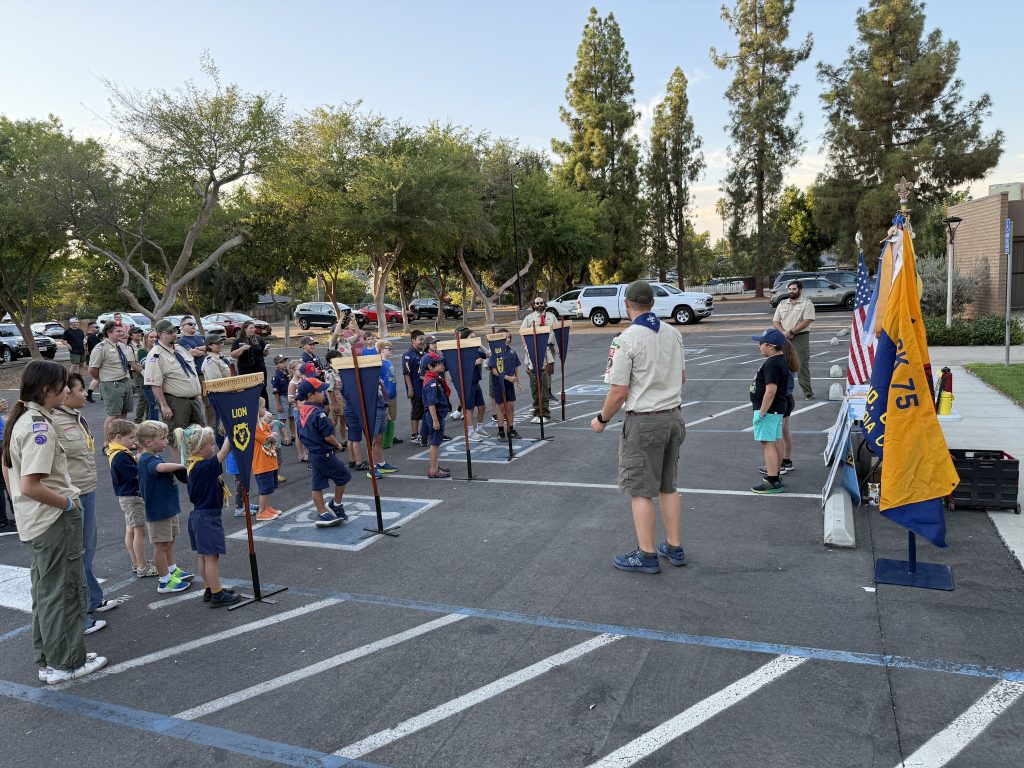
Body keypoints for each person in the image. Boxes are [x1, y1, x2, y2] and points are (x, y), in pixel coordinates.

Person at [1, 360, 108, 684]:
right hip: (52, 520)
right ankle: (67, 663)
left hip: (37, 520)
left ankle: (51, 660)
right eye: (62, 385)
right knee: (64, 592)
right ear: (47, 389)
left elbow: (9, 470)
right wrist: (68, 504)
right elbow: (30, 485)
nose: (67, 390)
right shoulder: (39, 427)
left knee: (47, 593)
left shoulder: (24, 417)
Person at [590, 281, 687, 575]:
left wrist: (602, 419)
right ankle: (674, 546)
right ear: (652, 303)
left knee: (641, 490)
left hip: (644, 420)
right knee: (668, 485)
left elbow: (619, 391)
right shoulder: (673, 332)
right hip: (673, 415)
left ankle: (646, 554)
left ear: (627, 305)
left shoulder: (625, 339)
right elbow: (681, 377)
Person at [53, 373, 123, 633]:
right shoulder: (52, 422)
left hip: (87, 489)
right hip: (70, 495)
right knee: (73, 555)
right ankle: (78, 616)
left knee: (87, 550)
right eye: (80, 389)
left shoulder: (75, 417)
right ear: (65, 393)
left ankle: (92, 599)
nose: (85, 394)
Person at [174, 423, 240, 607]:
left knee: (203, 556)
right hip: (207, 518)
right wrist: (231, 429)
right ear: (199, 449)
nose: (214, 447)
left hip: (198, 515)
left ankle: (210, 588)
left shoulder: (192, 464)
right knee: (212, 558)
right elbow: (225, 451)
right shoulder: (204, 466)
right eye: (211, 445)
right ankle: (217, 595)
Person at [136, 419, 193, 593]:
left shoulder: (154, 456)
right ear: (148, 442)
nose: (166, 441)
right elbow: (159, 468)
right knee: (160, 545)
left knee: (169, 541)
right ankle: (164, 581)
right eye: (162, 438)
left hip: (168, 508)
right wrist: (182, 465)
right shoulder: (146, 460)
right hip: (158, 511)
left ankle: (172, 569)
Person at [294, 377, 350, 527]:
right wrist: (338, 444)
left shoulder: (302, 411)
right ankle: (336, 504)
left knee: (317, 485)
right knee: (344, 476)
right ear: (311, 395)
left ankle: (323, 513)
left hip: (313, 453)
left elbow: (300, 435)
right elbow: (327, 436)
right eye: (319, 391)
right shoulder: (318, 414)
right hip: (324, 453)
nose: (323, 393)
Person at [106, 419, 155, 577]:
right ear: (119, 437)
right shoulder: (121, 456)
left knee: (131, 530)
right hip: (132, 497)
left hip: (126, 496)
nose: (134, 441)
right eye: (131, 437)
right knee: (140, 531)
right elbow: (136, 474)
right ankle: (142, 566)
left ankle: (136, 562)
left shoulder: (117, 452)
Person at [145, 319, 204, 433]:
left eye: (175, 331)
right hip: (176, 402)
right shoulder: (155, 355)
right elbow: (155, 384)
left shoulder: (179, 349)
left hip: (193, 400)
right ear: (160, 334)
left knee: (197, 434)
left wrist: (197, 394)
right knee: (178, 435)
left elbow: (191, 371)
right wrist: (164, 406)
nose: (174, 334)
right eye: (170, 332)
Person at [749, 329, 789, 494]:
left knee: (767, 443)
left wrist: (761, 413)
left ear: (771, 346)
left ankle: (772, 480)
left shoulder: (772, 363)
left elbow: (771, 390)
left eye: (761, 343)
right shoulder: (779, 360)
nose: (759, 346)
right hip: (777, 409)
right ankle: (776, 474)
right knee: (775, 440)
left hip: (769, 410)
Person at [88, 320, 138, 449]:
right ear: (109, 333)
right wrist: (103, 379)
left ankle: (123, 442)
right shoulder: (101, 348)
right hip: (112, 384)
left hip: (125, 382)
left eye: (122, 331)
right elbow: (92, 369)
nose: (122, 333)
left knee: (123, 415)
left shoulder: (121, 346)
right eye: (118, 331)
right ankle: (108, 444)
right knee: (113, 416)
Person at [760, 340, 799, 478]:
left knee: (777, 436)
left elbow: (772, 388)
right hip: (788, 398)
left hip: (781, 400)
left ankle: (779, 465)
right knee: (785, 433)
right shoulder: (790, 362)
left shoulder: (780, 364)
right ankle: (786, 460)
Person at [772, 280, 815, 399]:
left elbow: (807, 321)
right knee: (782, 365)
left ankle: (807, 392)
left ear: (799, 290)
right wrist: (784, 333)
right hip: (783, 337)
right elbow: (775, 321)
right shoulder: (782, 303)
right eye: (790, 289)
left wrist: (791, 332)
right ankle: (783, 392)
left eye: (794, 289)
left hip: (800, 337)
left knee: (801, 365)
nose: (791, 291)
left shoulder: (807, 303)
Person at [520, 297, 558, 423]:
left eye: (541, 303)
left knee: (547, 375)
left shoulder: (551, 316)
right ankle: (537, 412)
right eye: (537, 303)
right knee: (535, 388)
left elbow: (557, 330)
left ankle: (546, 403)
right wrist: (526, 346)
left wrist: (558, 346)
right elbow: (522, 332)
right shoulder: (529, 318)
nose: (539, 305)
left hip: (548, 347)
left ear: (544, 304)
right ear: (534, 305)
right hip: (533, 349)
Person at [420, 352, 452, 478]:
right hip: (435, 415)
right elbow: (431, 403)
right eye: (438, 363)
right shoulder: (431, 382)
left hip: (437, 415)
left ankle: (436, 466)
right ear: (430, 366)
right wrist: (435, 420)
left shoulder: (434, 378)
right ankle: (434, 470)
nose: (441, 364)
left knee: (436, 442)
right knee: (435, 443)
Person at [488, 329, 523, 440]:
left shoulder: (512, 352)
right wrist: (508, 378)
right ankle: (500, 431)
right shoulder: (495, 352)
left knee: (511, 407)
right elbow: (494, 370)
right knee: (501, 407)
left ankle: (510, 429)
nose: (507, 339)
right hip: (499, 383)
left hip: (509, 384)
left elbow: (516, 367)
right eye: (505, 337)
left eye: (509, 337)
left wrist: (518, 382)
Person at [253, 399, 282, 521]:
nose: (265, 409)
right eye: (263, 407)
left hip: (269, 461)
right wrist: (272, 436)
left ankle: (266, 507)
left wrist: (272, 436)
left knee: (269, 487)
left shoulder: (263, 424)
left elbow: (271, 437)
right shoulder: (254, 427)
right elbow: (267, 439)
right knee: (264, 489)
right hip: (262, 463)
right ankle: (261, 511)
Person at [231, 321, 270, 406]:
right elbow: (233, 355)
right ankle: (251, 408)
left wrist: (266, 351)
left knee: (262, 388)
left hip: (260, 368)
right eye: (251, 328)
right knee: (248, 389)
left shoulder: (259, 339)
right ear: (245, 329)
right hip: (245, 369)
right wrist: (242, 349)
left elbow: (264, 354)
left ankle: (264, 408)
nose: (253, 330)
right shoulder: (239, 341)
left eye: (253, 328)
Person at [200, 333, 232, 434]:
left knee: (226, 420)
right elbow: (217, 383)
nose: (220, 345)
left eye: (221, 342)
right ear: (209, 346)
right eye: (217, 343)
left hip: (227, 392)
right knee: (221, 422)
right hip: (219, 394)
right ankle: (221, 442)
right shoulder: (210, 361)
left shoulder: (220, 357)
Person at [376, 340, 403, 447]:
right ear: (382, 350)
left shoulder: (389, 362)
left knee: (392, 416)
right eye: (389, 349)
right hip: (384, 395)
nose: (391, 350)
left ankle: (390, 436)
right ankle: (384, 439)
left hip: (392, 393)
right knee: (385, 417)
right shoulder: (380, 363)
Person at [402, 330, 426, 444]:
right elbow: (406, 374)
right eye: (420, 339)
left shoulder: (422, 353)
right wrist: (410, 389)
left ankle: (424, 433)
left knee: (426, 410)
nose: (422, 342)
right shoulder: (408, 355)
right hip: (416, 388)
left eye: (423, 339)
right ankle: (414, 435)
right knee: (416, 410)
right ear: (413, 340)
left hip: (425, 387)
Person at [287, 360, 309, 463]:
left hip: (305, 410)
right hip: (298, 410)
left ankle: (306, 452)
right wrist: (299, 400)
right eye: (299, 369)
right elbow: (290, 399)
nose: (302, 371)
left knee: (306, 431)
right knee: (299, 433)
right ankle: (301, 453)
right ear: (292, 370)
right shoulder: (292, 383)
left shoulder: (303, 380)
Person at [135, 329, 159, 422]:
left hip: (161, 381)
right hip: (149, 383)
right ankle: (153, 427)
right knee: (153, 407)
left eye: (156, 337)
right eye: (151, 337)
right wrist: (156, 353)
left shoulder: (161, 349)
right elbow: (147, 364)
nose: (154, 339)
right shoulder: (142, 351)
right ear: (146, 339)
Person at [271, 354, 294, 445]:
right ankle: (284, 438)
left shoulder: (289, 373)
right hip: (283, 398)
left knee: (292, 417)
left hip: (291, 396)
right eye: (281, 362)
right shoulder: (276, 376)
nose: (284, 364)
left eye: (285, 361)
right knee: (282, 419)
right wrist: (278, 404)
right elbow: (276, 392)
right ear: (276, 365)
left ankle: (294, 435)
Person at [0, 396, 12, 530]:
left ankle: (4, 519)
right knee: (5, 481)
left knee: (6, 481)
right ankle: (2, 520)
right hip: (1, 444)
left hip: (3, 440)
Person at [84, 322, 102, 403]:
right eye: (96, 327)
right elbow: (98, 348)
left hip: (92, 358)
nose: (98, 329)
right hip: (96, 359)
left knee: (100, 377)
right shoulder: (93, 337)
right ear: (91, 328)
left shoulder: (89, 336)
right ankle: (89, 394)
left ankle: (103, 394)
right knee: (97, 378)